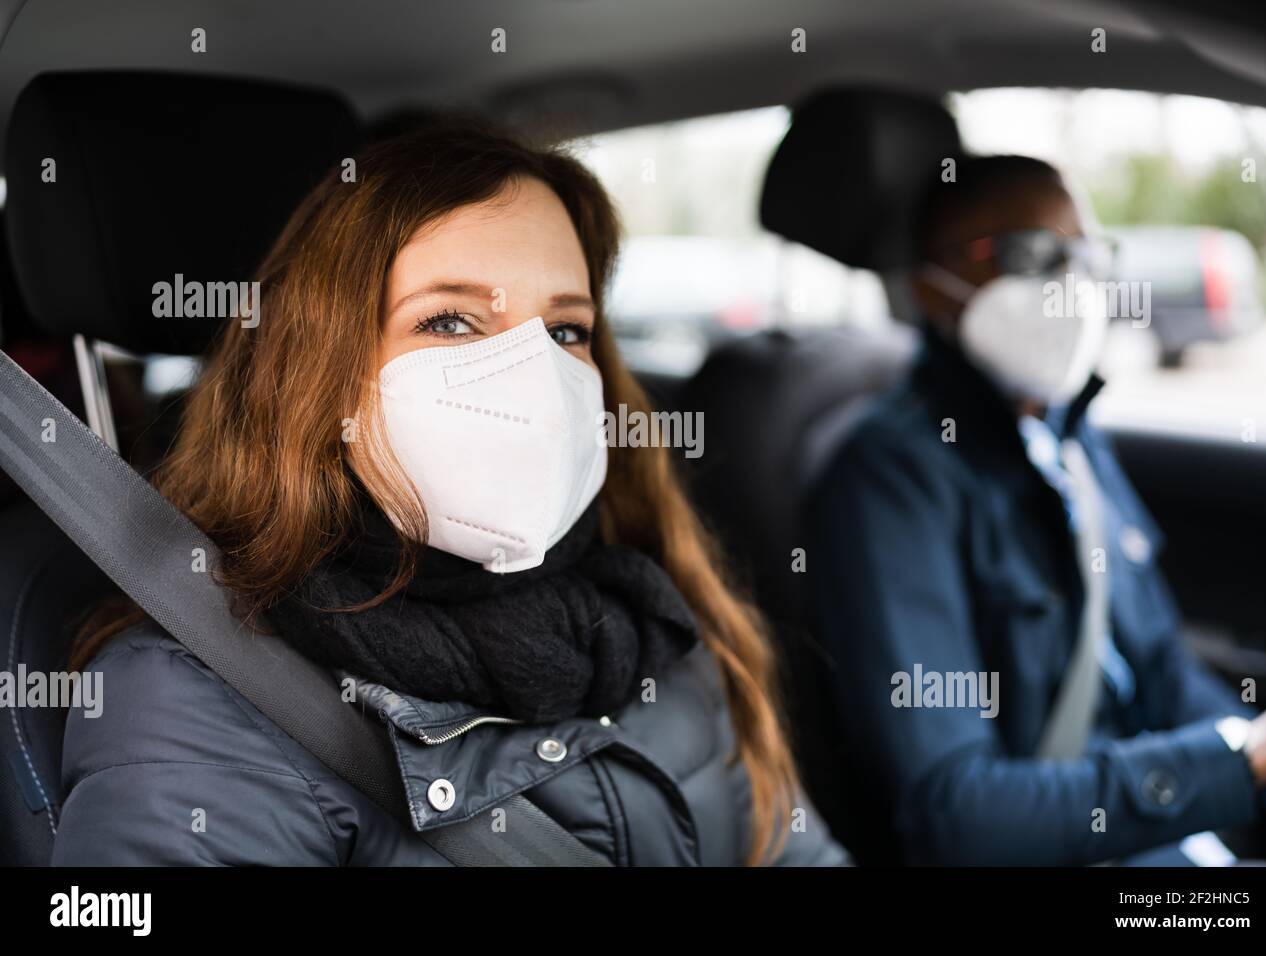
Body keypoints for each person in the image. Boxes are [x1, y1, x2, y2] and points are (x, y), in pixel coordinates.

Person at [52, 118, 851, 867]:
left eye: (565, 330)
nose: (533, 375)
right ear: (319, 377)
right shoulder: (199, 703)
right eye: (451, 323)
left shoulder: (646, 613)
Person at [808, 154, 1266, 866]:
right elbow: (955, 812)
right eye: (1030, 254)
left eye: (1085, 254)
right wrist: (1242, 764)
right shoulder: (891, 480)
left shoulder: (1068, 434)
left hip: (1165, 823)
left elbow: (1163, 669)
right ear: (931, 287)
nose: (1070, 284)